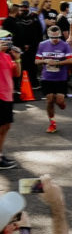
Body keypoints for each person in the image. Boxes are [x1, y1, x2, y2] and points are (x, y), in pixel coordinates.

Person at [36, 26, 72, 134]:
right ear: (48, 35)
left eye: (57, 37)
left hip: (61, 77)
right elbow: (36, 61)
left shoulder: (65, 45)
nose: (55, 39)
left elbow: (70, 60)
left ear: (60, 34)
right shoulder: (42, 45)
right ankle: (52, 123)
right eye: (52, 37)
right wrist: (45, 61)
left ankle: (61, 103)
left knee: (60, 101)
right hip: (47, 77)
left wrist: (56, 63)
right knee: (49, 100)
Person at [0, 32, 22, 169]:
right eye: (4, 40)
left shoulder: (8, 56)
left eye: (8, 40)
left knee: (6, 126)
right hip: (0, 96)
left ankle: (0, 154)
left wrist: (18, 59)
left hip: (8, 95)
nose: (7, 43)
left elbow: (17, 73)